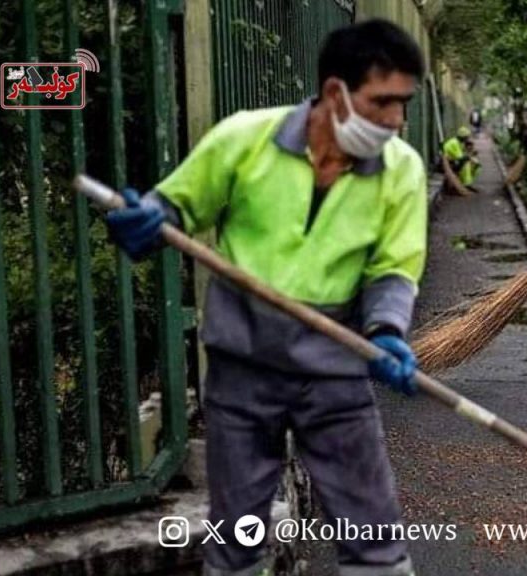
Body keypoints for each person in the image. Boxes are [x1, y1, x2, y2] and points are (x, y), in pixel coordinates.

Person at [104, 20, 427, 576]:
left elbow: (392, 270)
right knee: (235, 542)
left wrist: (388, 332)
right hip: (242, 367)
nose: (397, 121)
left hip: (334, 368)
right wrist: (149, 219)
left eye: (405, 104)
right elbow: (177, 205)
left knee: (374, 538)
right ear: (335, 93)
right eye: (384, 102)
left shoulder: (401, 169)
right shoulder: (244, 138)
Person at [441, 125, 479, 194]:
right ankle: (467, 184)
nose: (468, 139)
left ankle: (467, 183)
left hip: (451, 161)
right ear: (463, 137)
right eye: (467, 137)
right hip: (447, 164)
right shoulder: (454, 143)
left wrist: (469, 151)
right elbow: (461, 158)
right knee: (467, 164)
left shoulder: (457, 142)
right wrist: (471, 155)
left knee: (475, 164)